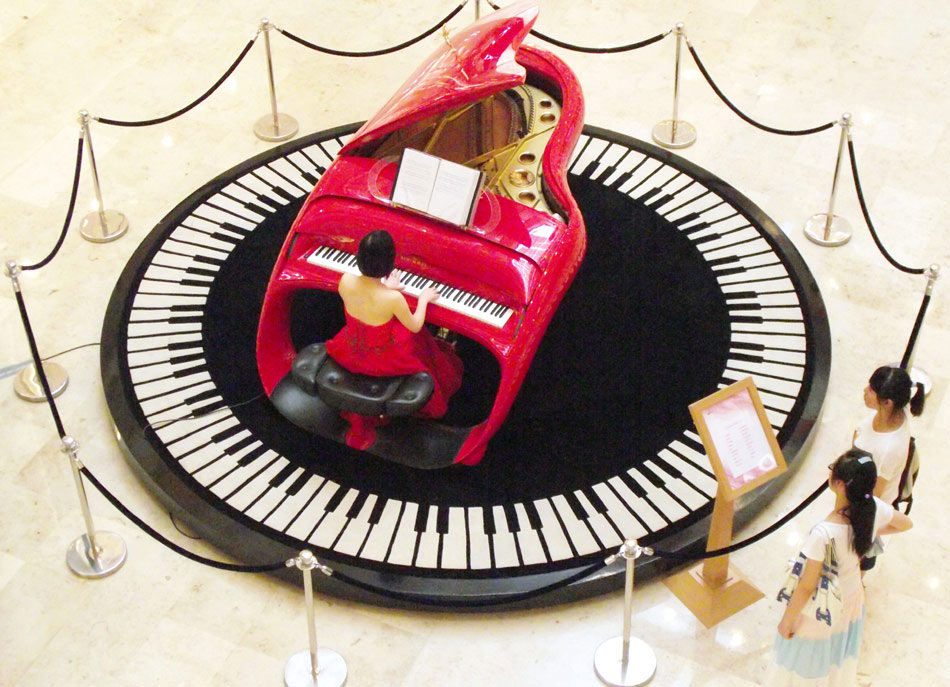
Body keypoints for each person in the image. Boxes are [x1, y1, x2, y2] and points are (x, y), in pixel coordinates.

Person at [767, 449, 913, 686]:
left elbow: (806, 586)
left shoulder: (823, 534)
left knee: (805, 665)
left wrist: (787, 620)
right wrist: (872, 529)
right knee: (836, 657)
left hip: (822, 606)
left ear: (839, 484)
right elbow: (906, 523)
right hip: (851, 596)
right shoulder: (872, 508)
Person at [325, 229, 463, 420]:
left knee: (404, 331)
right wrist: (423, 299)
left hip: (351, 347)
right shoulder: (393, 298)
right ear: (389, 264)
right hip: (383, 359)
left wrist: (384, 288)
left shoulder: (345, 280)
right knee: (418, 336)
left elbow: (367, 300)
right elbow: (414, 325)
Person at [852, 366, 924, 572]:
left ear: (887, 402)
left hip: (867, 513)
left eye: (872, 389)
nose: (865, 391)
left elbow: (873, 497)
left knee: (862, 556)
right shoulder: (894, 416)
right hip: (864, 488)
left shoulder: (888, 449)